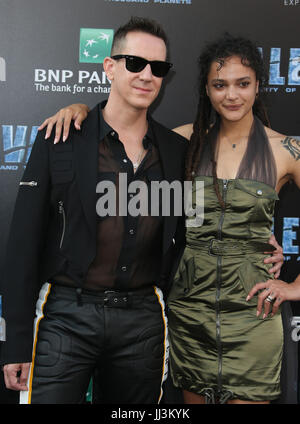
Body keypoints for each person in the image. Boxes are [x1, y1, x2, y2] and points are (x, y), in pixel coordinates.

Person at [37, 34, 293, 403]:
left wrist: (293, 286)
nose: (231, 95)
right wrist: (77, 110)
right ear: (206, 89)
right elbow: (117, 133)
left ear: (258, 87)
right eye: (220, 85)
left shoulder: (287, 150)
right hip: (190, 308)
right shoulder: (181, 144)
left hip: (252, 310)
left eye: (243, 84)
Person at [0, 17, 188, 404]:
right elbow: (23, 242)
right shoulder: (61, 136)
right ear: (110, 67)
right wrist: (17, 343)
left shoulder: (175, 150)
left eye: (159, 68)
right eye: (135, 63)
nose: (147, 75)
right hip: (66, 314)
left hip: (142, 321)